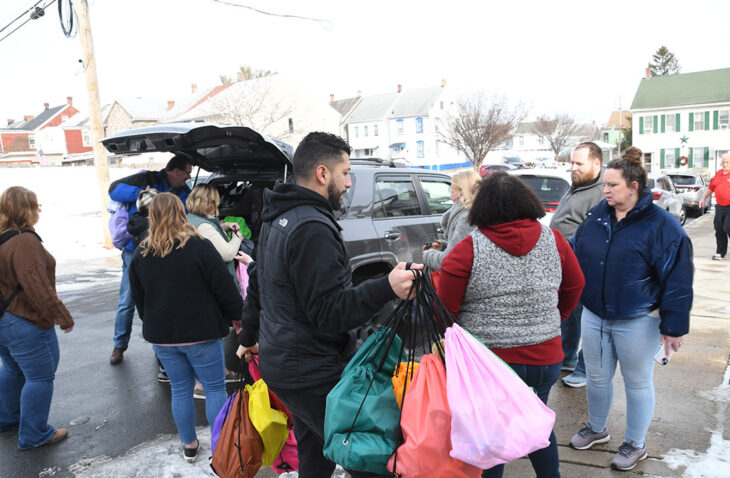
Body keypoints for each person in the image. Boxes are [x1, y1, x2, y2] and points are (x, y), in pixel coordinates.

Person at [235, 132, 421, 478]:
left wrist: (248, 336)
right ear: (323, 173)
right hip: (311, 372)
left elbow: (259, 283)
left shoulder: (278, 215)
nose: (349, 182)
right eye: (345, 172)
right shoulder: (311, 228)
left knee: (316, 455)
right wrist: (387, 286)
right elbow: (330, 313)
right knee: (368, 458)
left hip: (288, 366)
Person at [437, 172, 585, 478]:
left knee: (493, 436)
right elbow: (575, 285)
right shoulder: (553, 240)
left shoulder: (468, 248)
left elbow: (444, 311)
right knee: (537, 425)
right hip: (546, 358)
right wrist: (555, 318)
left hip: (490, 363)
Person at [568, 147, 693, 471]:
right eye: (605, 185)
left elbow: (678, 279)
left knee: (637, 383)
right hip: (596, 314)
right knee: (596, 378)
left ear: (633, 187)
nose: (605, 190)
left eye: (612, 185)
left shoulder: (662, 226)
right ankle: (597, 428)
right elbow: (575, 252)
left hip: (639, 319)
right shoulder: (598, 215)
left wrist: (674, 326)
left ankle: (635, 444)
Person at [128, 193, 243, 463]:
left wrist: (152, 322)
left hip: (164, 338)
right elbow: (223, 287)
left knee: (180, 389)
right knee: (214, 389)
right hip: (200, 334)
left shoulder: (142, 252)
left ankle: (189, 445)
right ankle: (220, 448)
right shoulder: (199, 247)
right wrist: (237, 316)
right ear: (181, 214)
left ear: (151, 217)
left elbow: (138, 297)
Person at [0, 186, 74, 450]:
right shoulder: (23, 241)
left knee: (12, 369)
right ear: (27, 209)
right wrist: (62, 316)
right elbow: (37, 287)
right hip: (24, 321)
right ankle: (34, 434)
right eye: (36, 205)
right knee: (40, 377)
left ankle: (7, 419)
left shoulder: (3, 237)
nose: (39, 211)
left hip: (3, 321)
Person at [108, 156, 192, 366]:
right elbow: (113, 189)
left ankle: (161, 347)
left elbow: (187, 214)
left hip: (165, 250)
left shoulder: (184, 192)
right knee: (127, 300)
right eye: (187, 172)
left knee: (159, 301)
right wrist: (141, 193)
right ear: (175, 171)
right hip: (134, 250)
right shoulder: (146, 179)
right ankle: (119, 345)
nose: (189, 177)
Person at [185, 183, 252, 398]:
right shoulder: (203, 226)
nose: (218, 206)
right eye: (214, 202)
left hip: (198, 286)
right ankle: (205, 383)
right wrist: (237, 238)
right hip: (213, 286)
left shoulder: (192, 219)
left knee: (214, 333)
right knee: (216, 332)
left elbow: (211, 229)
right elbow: (226, 253)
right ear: (207, 203)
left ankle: (219, 371)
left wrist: (222, 226)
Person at [549, 142, 605, 388]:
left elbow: (596, 234)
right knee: (570, 316)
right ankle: (568, 358)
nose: (573, 168)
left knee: (586, 319)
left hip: (583, 267)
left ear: (596, 164)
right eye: (572, 163)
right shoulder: (579, 187)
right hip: (564, 264)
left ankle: (584, 368)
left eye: (579, 164)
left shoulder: (601, 192)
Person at [422, 170, 480, 271]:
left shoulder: (466, 219)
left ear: (462, 193)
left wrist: (428, 255)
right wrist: (444, 246)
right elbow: (465, 251)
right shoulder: (475, 212)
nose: (450, 197)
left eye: (453, 193)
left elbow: (451, 261)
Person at [698, 152, 730, 260]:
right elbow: (711, 188)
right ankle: (720, 253)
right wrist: (703, 198)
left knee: (728, 227)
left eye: (727, 162)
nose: (725, 164)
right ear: (721, 163)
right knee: (719, 229)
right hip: (720, 207)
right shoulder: (718, 174)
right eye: (723, 162)